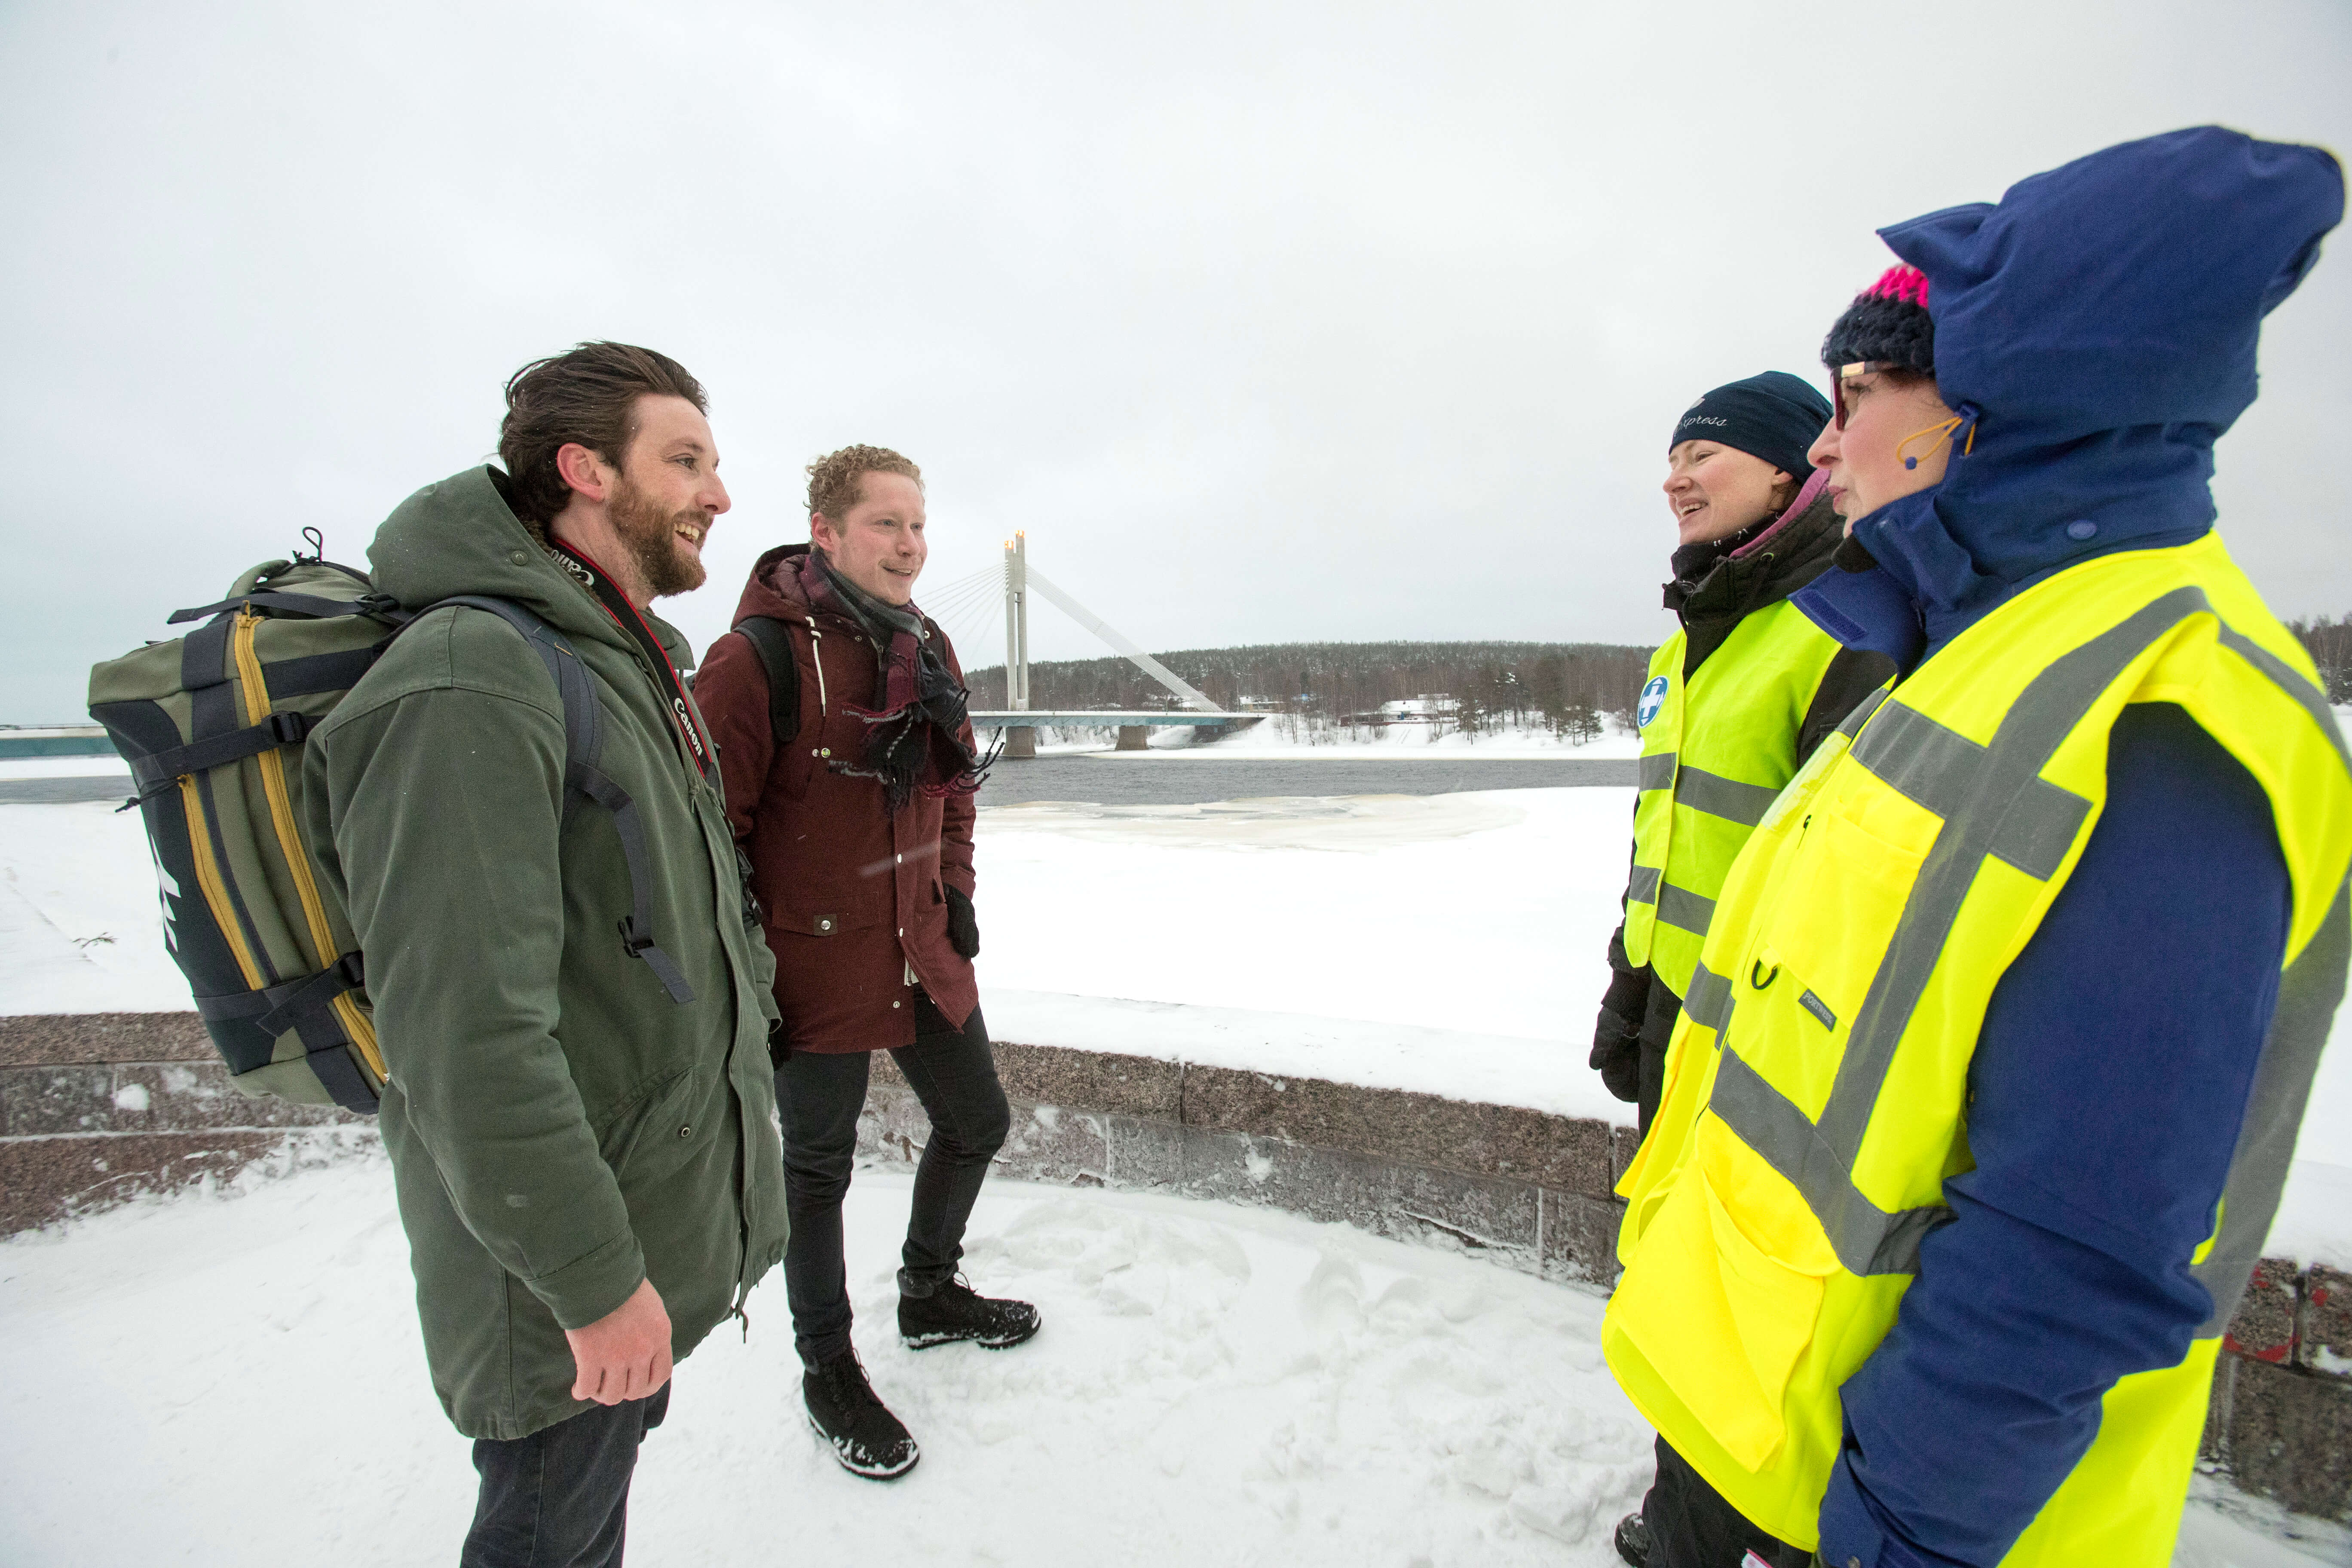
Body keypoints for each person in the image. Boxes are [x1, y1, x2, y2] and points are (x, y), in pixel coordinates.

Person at [1602, 128, 2349, 1568]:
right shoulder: (1981, 649)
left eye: (1858, 396)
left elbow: (2074, 1242)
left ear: (1995, 398)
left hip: (1919, 1514)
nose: (1827, 445)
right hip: (1791, 1436)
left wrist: (1899, 1533)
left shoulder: (2164, 715)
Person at [304, 343, 790, 1565]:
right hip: (557, 1285)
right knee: (542, 1537)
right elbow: (463, 1036)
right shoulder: (471, 677)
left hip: (629, 1234)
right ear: (586, 470)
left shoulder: (612, 664)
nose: (720, 495)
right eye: (685, 461)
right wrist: (593, 1282)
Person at [694, 444, 1030, 1482]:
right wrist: (749, 971)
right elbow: (706, 834)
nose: (911, 545)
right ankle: (828, 1367)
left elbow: (955, 787)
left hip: (922, 946)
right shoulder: (755, 659)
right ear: (827, 533)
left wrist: (955, 889)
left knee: (977, 1122)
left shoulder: (928, 644)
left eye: (919, 525)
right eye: (887, 523)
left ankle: (928, 1294)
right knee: (816, 1173)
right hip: (813, 966)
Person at [1593, 372, 1896, 1152]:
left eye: (1703, 454)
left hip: (1770, 1034)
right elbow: (1661, 833)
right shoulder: (1682, 646)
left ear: (1788, 471)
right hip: (1673, 1004)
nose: (1675, 480)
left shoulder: (1846, 628)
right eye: (1671, 462)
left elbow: (1858, 879)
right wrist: (1631, 983)